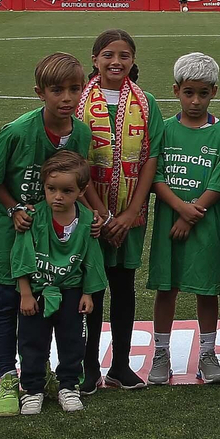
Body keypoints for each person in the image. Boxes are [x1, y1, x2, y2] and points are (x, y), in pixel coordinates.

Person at [0, 52, 98, 418]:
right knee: (8, 302)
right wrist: (14, 207)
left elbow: (80, 177)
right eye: (57, 90)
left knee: (54, 306)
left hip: (54, 239)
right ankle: (7, 377)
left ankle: (48, 377)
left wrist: (97, 212)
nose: (66, 98)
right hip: (14, 231)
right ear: (40, 93)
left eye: (74, 89)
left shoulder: (80, 132)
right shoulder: (17, 131)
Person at [77, 29, 163, 392]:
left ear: (133, 60)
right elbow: (75, 162)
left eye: (124, 55)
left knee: (123, 288)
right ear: (95, 59)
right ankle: (89, 366)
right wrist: (101, 213)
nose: (116, 61)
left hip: (131, 216)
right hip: (90, 216)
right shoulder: (79, 102)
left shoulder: (147, 104)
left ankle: (122, 364)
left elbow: (151, 159)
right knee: (92, 289)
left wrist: (128, 215)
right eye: (108, 54)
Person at [148, 53, 220, 386]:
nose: (196, 100)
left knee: (206, 290)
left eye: (203, 93)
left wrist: (191, 213)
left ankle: (207, 353)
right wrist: (180, 208)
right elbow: (154, 175)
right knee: (166, 287)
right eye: (189, 93)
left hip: (206, 224)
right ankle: (161, 353)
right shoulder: (165, 129)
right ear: (176, 91)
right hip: (169, 223)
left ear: (214, 91)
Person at [12, 151, 105, 415]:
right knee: (31, 342)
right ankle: (32, 390)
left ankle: (69, 387)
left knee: (72, 341)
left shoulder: (87, 220)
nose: (58, 197)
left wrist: (88, 293)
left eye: (66, 190)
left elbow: (92, 259)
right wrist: (25, 293)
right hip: (38, 292)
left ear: (81, 190)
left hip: (72, 291)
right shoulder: (33, 217)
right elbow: (20, 256)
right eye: (51, 189)